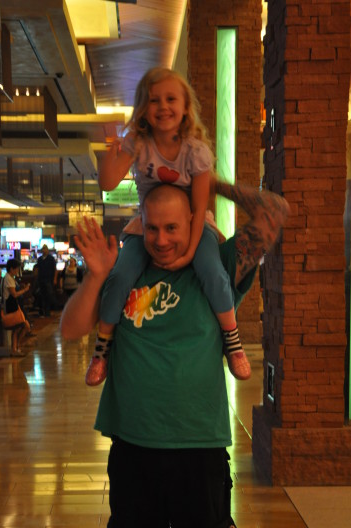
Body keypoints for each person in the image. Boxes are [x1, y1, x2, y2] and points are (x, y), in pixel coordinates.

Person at [60, 179, 289, 528]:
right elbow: (71, 330)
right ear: (140, 223)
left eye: (174, 228)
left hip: (200, 450)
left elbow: (274, 212)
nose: (163, 240)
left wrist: (203, 184)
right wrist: (96, 274)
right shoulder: (126, 268)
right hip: (134, 449)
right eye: (153, 227)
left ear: (195, 225)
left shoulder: (222, 268)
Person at [85, 67, 251, 387]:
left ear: (186, 106)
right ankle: (102, 348)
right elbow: (107, 182)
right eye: (154, 100)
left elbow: (200, 206)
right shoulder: (138, 143)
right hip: (146, 224)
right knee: (120, 275)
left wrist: (189, 252)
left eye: (171, 99)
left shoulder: (196, 150)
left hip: (193, 223)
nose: (163, 106)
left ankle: (232, 340)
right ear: (144, 108)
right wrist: (111, 153)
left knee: (213, 271)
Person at [1, 258, 30, 357]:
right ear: (11, 269)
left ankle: (16, 347)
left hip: (14, 306)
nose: (18, 271)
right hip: (11, 307)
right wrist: (25, 290)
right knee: (19, 327)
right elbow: (14, 294)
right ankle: (15, 348)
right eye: (17, 269)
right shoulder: (8, 278)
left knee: (22, 327)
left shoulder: (10, 278)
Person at [35, 244, 57, 317]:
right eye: (43, 249)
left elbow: (55, 269)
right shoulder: (40, 259)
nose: (44, 250)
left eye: (45, 249)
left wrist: (54, 279)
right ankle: (42, 310)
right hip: (41, 279)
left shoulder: (51, 258)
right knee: (42, 295)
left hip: (48, 279)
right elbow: (37, 269)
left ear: (47, 250)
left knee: (48, 295)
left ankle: (47, 311)